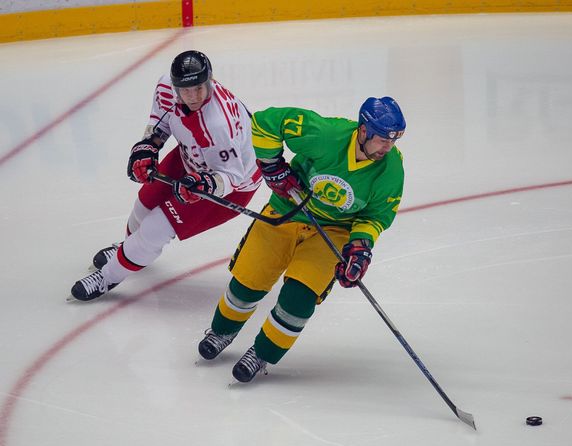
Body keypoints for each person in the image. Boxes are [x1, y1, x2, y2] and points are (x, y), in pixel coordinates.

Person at [197, 96, 406, 383]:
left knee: (300, 297)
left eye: (394, 140)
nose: (388, 147)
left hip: (334, 230)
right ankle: (222, 331)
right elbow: (266, 122)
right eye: (383, 139)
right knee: (248, 281)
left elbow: (375, 217)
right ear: (364, 130)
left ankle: (261, 353)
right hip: (287, 211)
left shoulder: (392, 170)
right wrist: (271, 165)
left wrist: (359, 248)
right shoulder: (326, 135)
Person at [70, 50, 261, 301]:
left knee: (156, 228)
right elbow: (162, 122)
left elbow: (232, 176)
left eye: (199, 89)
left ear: (209, 81)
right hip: (191, 155)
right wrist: (149, 145)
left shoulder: (218, 125)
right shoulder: (167, 86)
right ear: (176, 86)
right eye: (186, 90)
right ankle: (127, 250)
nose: (192, 96)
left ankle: (107, 277)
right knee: (143, 204)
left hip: (232, 186)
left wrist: (204, 183)